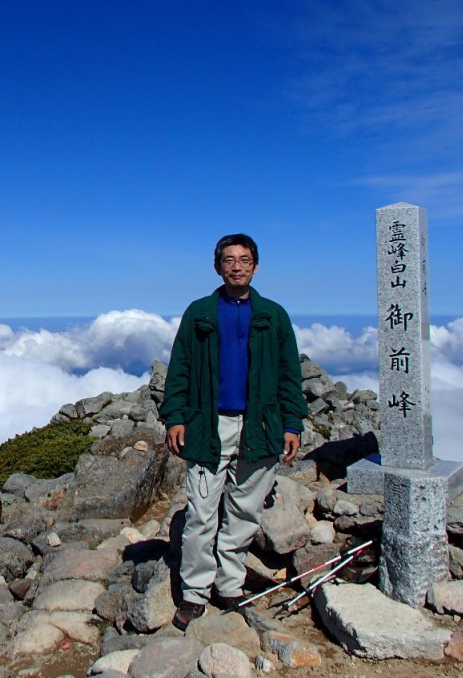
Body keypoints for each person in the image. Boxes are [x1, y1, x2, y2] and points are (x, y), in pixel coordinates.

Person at [160, 233, 307, 630]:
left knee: (244, 512)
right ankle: (193, 594)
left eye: (244, 259)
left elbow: (290, 376)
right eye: (229, 259)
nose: (237, 266)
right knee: (201, 514)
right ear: (217, 266)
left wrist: (292, 424)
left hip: (259, 426)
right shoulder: (199, 313)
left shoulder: (274, 315)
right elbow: (180, 370)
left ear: (255, 266)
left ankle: (230, 587)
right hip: (209, 426)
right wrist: (175, 418)